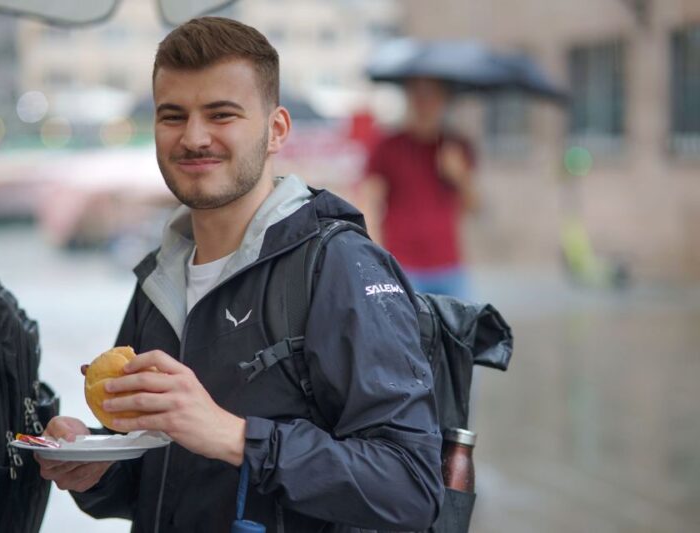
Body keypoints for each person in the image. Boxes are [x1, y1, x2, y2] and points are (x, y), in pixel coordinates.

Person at [36, 17, 444, 532]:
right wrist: (95, 467)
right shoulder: (160, 276)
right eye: (173, 115)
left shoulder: (339, 266)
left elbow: (411, 488)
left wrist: (234, 436)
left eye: (221, 114)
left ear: (276, 130)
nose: (194, 136)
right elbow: (154, 483)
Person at [362, 78, 478, 299]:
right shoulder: (388, 146)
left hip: (449, 265)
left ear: (443, 100)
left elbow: (474, 206)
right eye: (419, 95)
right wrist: (373, 254)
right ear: (409, 98)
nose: (425, 102)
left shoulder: (457, 146)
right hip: (403, 265)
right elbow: (369, 201)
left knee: (463, 330)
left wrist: (460, 176)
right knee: (407, 331)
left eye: (432, 95)